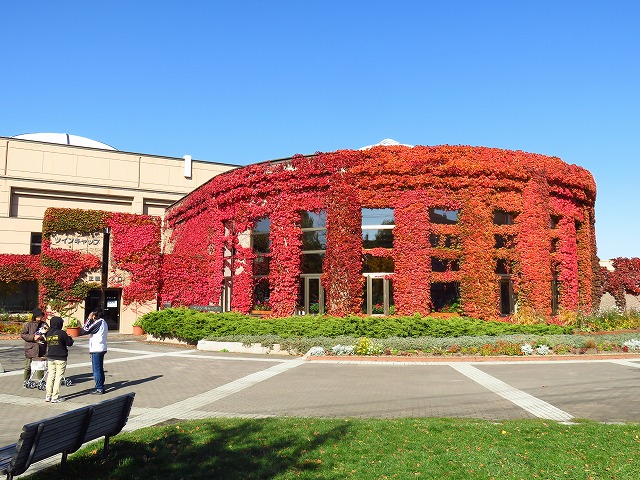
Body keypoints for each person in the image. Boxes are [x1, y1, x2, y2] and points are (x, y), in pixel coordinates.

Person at [43, 316, 73, 403]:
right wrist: (70, 338)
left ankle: (48, 395)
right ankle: (55, 397)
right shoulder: (61, 333)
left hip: (50, 357)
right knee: (58, 377)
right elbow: (69, 343)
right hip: (61, 357)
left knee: (50, 376)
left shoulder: (48, 333)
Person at [82, 308, 108, 394]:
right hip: (101, 347)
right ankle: (101, 385)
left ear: (94, 316)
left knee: (96, 370)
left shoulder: (98, 323)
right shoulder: (104, 322)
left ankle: (99, 388)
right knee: (100, 368)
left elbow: (85, 330)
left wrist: (88, 320)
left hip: (97, 349)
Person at [20, 308, 47, 387]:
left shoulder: (44, 324)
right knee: (28, 366)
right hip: (30, 348)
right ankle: (26, 380)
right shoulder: (29, 325)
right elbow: (23, 334)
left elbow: (47, 334)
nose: (40, 318)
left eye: (41, 316)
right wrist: (33, 337)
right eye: (38, 316)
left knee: (40, 365)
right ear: (35, 316)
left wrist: (42, 336)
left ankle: (41, 380)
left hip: (41, 348)